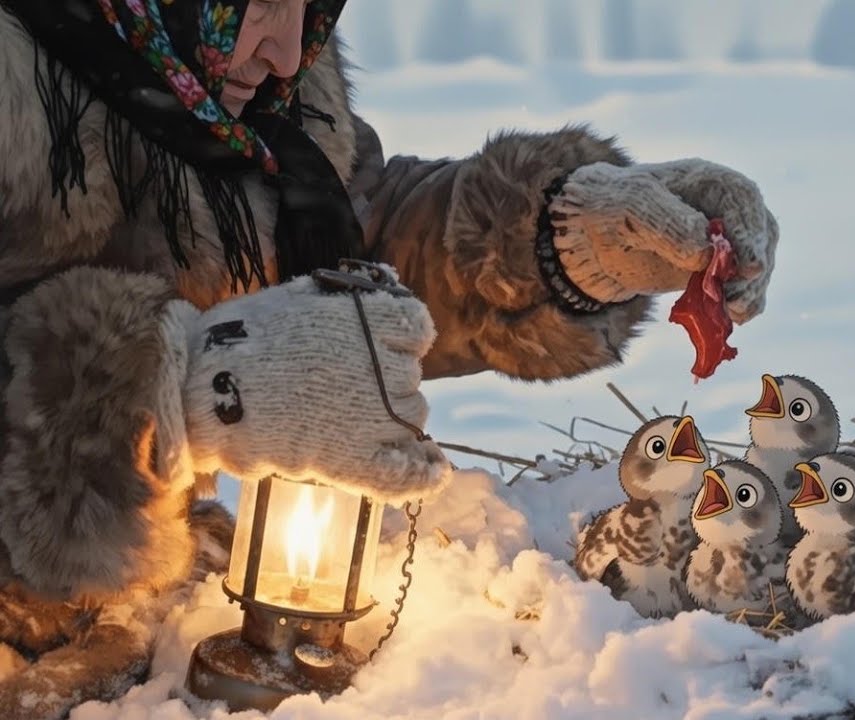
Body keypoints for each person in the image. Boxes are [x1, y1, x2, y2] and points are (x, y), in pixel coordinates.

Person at [0, 0, 779, 715]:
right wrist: (179, 388)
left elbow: (342, 261)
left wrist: (569, 242)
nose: (281, 52)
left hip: (135, 616)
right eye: (259, 6)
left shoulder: (223, 82)